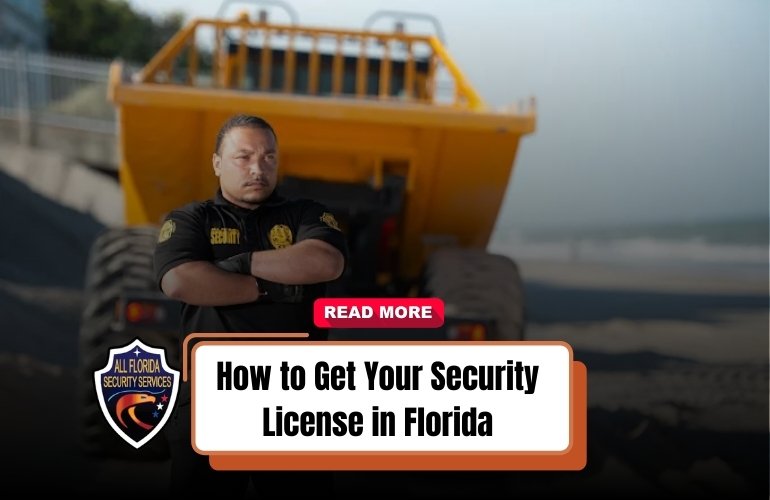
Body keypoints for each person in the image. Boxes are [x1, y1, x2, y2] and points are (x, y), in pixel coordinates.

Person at [154, 114, 346, 496]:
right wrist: (270, 288)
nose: (258, 168)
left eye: (269, 157)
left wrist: (238, 265)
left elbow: (325, 262)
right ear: (217, 163)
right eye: (244, 157)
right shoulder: (191, 220)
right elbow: (181, 281)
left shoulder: (307, 214)